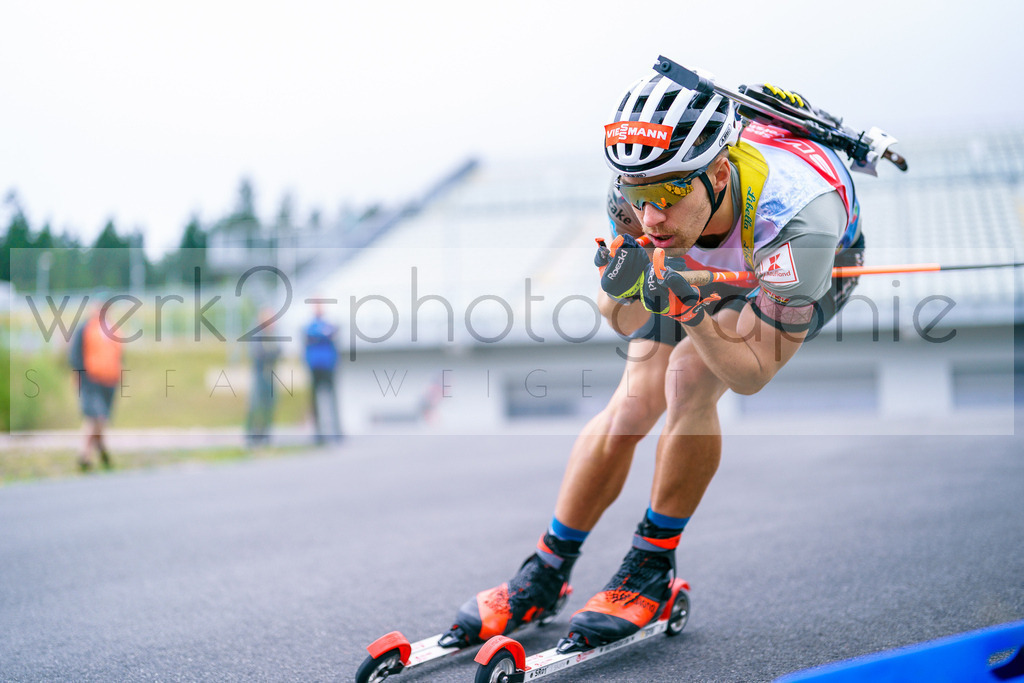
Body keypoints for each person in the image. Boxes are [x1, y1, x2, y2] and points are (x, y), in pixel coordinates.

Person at [442, 67, 867, 651]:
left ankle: (651, 567)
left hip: (797, 262)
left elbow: (751, 374)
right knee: (633, 402)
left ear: (718, 173)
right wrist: (632, 282)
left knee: (691, 376)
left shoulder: (802, 223)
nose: (650, 219)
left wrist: (690, 311)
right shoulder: (639, 193)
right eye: (639, 199)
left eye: (666, 197)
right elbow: (616, 317)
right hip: (705, 255)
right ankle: (544, 571)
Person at [68, 299, 122, 471]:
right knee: (94, 416)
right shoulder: (86, 328)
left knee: (101, 418)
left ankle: (102, 451)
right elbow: (76, 354)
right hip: (91, 379)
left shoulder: (113, 329)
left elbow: (118, 355)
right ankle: (84, 455)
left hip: (110, 380)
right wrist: (79, 376)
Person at [303, 303, 342, 444]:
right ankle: (319, 433)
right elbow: (310, 336)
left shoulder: (328, 324)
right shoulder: (310, 326)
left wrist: (322, 335)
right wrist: (323, 335)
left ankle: (337, 431)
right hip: (314, 366)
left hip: (328, 365)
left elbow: (333, 334)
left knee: (332, 399)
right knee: (315, 403)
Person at [245, 307, 283, 446]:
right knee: (255, 404)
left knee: (269, 404)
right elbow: (257, 354)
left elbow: (279, 351)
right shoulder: (257, 335)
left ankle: (266, 434)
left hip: (271, 374)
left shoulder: (273, 335)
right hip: (259, 373)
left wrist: (271, 354)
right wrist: (270, 354)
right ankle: (252, 435)